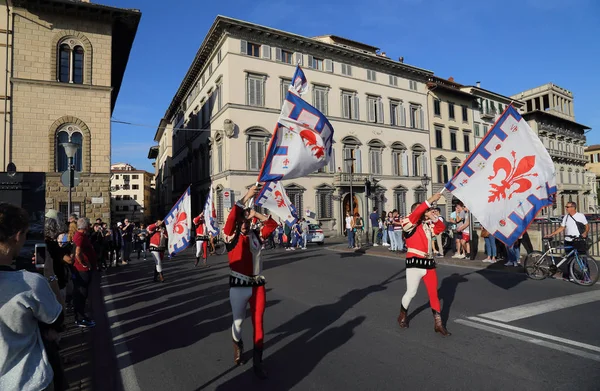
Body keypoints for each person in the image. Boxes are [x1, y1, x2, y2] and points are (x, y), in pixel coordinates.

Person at [0, 203, 64, 391]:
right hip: (27, 381)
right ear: (18, 236)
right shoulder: (29, 283)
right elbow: (58, 319)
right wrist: (50, 274)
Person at [224, 185, 278, 379]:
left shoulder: (256, 236)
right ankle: (237, 344)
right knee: (238, 323)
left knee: (258, 324)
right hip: (238, 286)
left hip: (257, 286)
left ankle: (258, 363)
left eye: (247, 220)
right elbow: (231, 218)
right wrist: (246, 196)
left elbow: (272, 226)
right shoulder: (230, 236)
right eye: (242, 219)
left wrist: (257, 214)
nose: (245, 223)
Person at [397, 193, 451, 336]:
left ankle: (438, 324)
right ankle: (402, 315)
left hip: (429, 264)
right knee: (411, 292)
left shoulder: (426, 226)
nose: (427, 213)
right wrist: (431, 200)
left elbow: (440, 228)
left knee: (434, 294)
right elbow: (418, 212)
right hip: (415, 263)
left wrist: (434, 217)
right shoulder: (408, 223)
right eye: (425, 211)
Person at [545, 201, 589, 280]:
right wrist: (552, 234)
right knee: (569, 259)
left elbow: (587, 226)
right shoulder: (566, 217)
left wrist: (585, 233)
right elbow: (562, 227)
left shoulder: (580, 216)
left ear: (573, 208)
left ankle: (586, 276)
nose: (566, 208)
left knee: (583, 258)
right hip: (568, 240)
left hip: (578, 240)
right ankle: (570, 275)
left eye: (567, 207)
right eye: (566, 207)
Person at [72, 218, 96, 328]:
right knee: (81, 294)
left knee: (82, 294)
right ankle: (80, 318)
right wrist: (84, 263)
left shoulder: (81, 236)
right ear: (86, 227)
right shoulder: (80, 237)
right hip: (82, 270)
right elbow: (78, 252)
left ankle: (81, 316)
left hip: (83, 269)